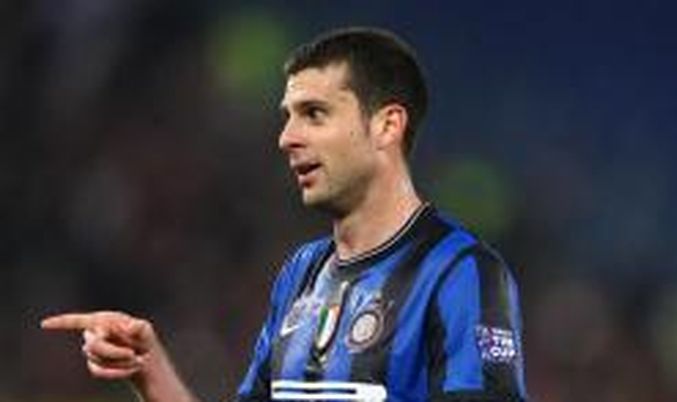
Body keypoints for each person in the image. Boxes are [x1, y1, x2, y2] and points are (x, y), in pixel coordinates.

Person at [41, 27, 527, 402]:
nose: (287, 138)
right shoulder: (301, 274)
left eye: (314, 114)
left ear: (387, 125)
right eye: (288, 116)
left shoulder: (459, 271)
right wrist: (150, 370)